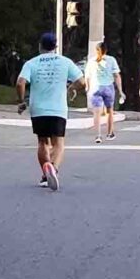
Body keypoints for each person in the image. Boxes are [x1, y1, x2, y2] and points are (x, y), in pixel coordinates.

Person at [16, 31, 83, 188]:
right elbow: (82, 82)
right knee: (58, 143)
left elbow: (20, 83)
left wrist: (21, 101)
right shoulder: (65, 62)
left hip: (38, 109)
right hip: (58, 108)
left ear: (40, 46)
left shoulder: (31, 63)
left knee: (42, 142)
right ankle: (53, 168)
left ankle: (46, 176)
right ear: (55, 47)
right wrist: (71, 88)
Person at [87, 39, 122, 142]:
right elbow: (116, 75)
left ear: (96, 50)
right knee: (109, 111)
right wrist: (120, 90)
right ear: (106, 50)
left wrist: (88, 88)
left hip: (95, 87)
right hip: (108, 87)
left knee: (97, 113)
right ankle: (110, 133)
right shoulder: (111, 60)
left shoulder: (91, 61)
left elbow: (87, 76)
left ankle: (98, 136)